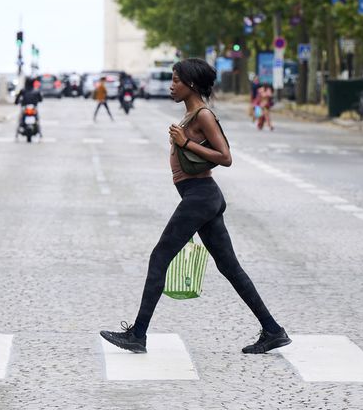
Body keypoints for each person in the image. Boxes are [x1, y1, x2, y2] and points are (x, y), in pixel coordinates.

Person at [100, 59, 290, 356]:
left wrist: (186, 143)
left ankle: (138, 335)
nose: (171, 86)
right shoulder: (191, 115)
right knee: (229, 267)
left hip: (200, 196)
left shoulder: (203, 115)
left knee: (159, 257)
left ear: (190, 84)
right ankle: (273, 330)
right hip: (201, 196)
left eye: (176, 80)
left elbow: (225, 157)